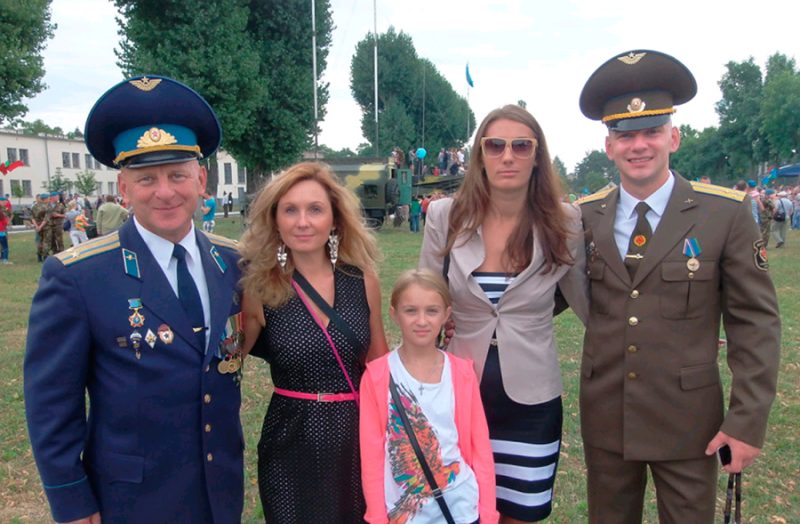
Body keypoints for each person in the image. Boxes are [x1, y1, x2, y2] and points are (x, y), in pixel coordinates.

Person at [24, 75, 245, 523]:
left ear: (201, 180)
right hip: (131, 499)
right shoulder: (78, 275)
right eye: (146, 179)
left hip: (219, 490)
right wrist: (70, 498)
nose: (165, 192)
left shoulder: (234, 263)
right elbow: (52, 400)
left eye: (178, 175)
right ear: (124, 188)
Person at [577, 49, 781, 523]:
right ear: (609, 146)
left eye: (651, 132)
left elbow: (755, 324)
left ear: (674, 137)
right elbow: (544, 295)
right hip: (606, 418)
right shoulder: (584, 217)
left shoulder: (724, 214)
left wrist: (747, 421)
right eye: (625, 135)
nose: (638, 146)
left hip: (688, 422)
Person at [419, 104, 589, 523]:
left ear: (537, 156)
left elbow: (590, 306)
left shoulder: (565, 222)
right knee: (460, 512)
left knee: (520, 514)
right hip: (457, 399)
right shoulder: (445, 216)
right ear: (480, 155)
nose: (507, 156)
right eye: (494, 145)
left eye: (520, 146)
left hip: (532, 402)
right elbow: (425, 301)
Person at [238, 161, 389, 523]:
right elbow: (229, 364)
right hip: (289, 443)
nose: (302, 222)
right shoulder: (260, 288)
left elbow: (380, 365)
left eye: (315, 209)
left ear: (334, 220)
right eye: (290, 210)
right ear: (275, 220)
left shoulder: (362, 280)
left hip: (357, 439)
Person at [360, 269, 499, 524]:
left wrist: (488, 514)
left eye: (432, 311)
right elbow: (371, 456)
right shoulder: (377, 376)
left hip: (461, 511)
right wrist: (377, 517)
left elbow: (480, 448)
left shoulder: (462, 373)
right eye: (411, 311)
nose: (421, 320)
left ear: (446, 315)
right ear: (394, 314)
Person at [0, 195, 11, 265]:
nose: (5, 203)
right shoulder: (1, 211)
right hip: (1, 231)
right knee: (5, 246)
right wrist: (7, 222)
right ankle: (5, 260)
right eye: (3, 201)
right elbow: (4, 221)